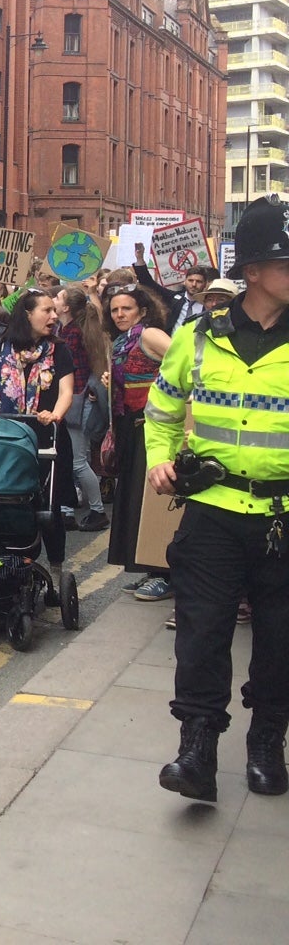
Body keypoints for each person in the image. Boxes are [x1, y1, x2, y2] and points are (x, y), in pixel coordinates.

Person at [147, 195, 289, 803]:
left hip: (281, 520)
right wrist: (158, 457)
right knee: (201, 635)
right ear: (253, 271)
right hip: (210, 515)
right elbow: (162, 410)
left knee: (280, 642)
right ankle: (197, 749)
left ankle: (266, 741)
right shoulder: (197, 338)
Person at [0, 290, 77, 576]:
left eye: (55, 311)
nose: (54, 317)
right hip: (4, 439)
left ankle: (55, 569)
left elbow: (66, 392)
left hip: (47, 438)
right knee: (6, 501)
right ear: (27, 314)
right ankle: (8, 563)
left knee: (49, 508)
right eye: (47, 310)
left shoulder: (59, 350)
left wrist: (55, 414)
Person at [104, 285, 172, 598]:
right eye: (115, 309)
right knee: (134, 501)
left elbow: (184, 366)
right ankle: (148, 566)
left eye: (126, 309)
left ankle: (165, 573)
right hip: (130, 428)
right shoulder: (120, 342)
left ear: (141, 311)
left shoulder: (149, 335)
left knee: (154, 503)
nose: (119, 314)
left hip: (154, 427)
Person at [56, 286, 109, 532]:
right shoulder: (67, 330)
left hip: (75, 403)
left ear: (66, 307)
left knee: (77, 461)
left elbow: (76, 371)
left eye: (57, 298)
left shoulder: (72, 334)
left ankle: (98, 511)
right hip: (75, 401)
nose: (53, 300)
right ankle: (66, 509)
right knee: (69, 458)